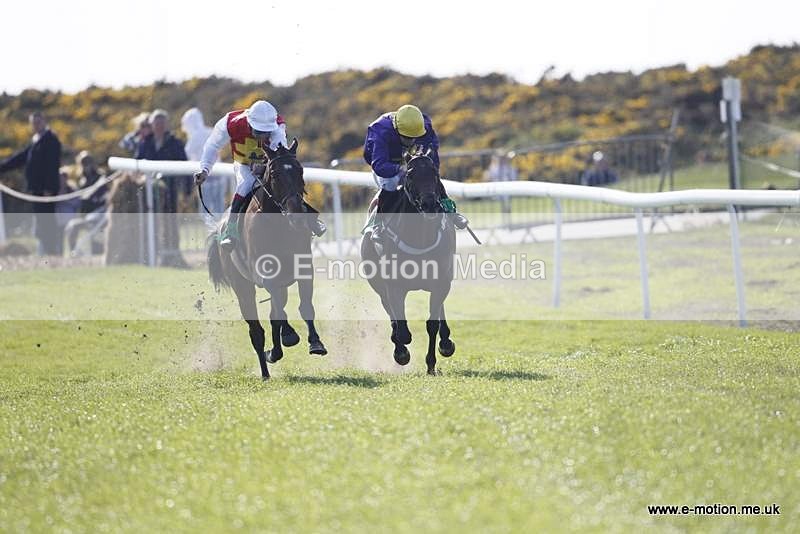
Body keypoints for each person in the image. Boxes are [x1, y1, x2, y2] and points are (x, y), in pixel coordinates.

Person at [194, 100, 325, 252]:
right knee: (246, 184)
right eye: (258, 133)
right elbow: (212, 145)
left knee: (287, 180)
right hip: (243, 163)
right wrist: (204, 169)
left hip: (268, 161)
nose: (262, 138)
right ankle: (230, 231)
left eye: (266, 133)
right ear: (249, 124)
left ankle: (309, 218)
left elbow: (279, 153)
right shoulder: (229, 123)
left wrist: (263, 165)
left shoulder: (278, 127)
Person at [362, 104, 468, 252]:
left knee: (428, 176)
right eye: (407, 138)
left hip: (411, 159)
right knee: (391, 183)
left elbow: (434, 157)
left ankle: (450, 211)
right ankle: (379, 225)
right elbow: (379, 165)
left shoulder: (424, 126)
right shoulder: (380, 131)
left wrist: (430, 172)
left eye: (415, 137)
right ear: (397, 130)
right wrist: (400, 170)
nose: (411, 141)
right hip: (387, 163)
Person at [0, 111, 62, 254]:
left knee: (47, 222)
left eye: (38, 122)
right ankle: (47, 252)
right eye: (33, 123)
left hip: (46, 190)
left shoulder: (51, 140)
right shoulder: (36, 140)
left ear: (44, 122)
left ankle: (52, 253)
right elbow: (20, 158)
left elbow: (52, 165)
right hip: (36, 189)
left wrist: (49, 188)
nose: (36, 125)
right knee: (41, 222)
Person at [136, 109, 190, 267]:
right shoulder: (145, 142)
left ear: (166, 125)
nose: (159, 126)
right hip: (148, 193)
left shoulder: (175, 143)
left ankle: (173, 255)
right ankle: (150, 255)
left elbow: (185, 167)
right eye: (156, 123)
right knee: (149, 224)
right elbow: (138, 163)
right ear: (151, 125)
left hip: (170, 192)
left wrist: (186, 190)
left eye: (162, 123)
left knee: (171, 224)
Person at [181, 107, 224, 215]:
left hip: (204, 177)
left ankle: (212, 230)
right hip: (218, 175)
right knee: (219, 208)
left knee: (207, 209)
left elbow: (187, 154)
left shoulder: (195, 137)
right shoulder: (211, 131)